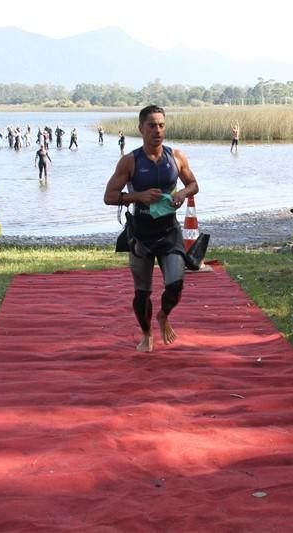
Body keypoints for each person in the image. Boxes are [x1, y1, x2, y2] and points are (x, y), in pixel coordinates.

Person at [103, 105, 199, 353]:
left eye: (161, 125)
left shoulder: (176, 157)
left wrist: (181, 193)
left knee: (176, 284)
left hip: (169, 231)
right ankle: (146, 334)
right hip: (141, 233)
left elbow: (194, 184)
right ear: (141, 129)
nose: (158, 131)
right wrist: (138, 196)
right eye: (152, 126)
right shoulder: (130, 161)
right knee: (142, 292)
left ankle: (164, 315)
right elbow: (109, 196)